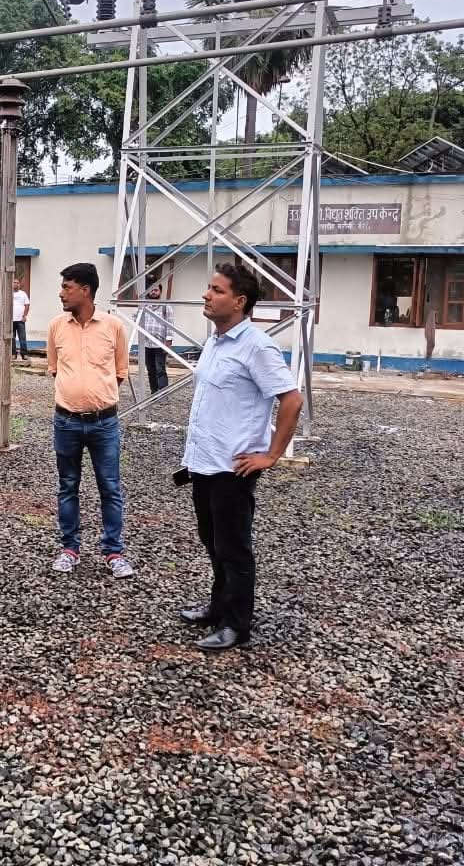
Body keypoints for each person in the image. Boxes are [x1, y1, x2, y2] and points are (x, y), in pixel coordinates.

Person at [179, 263, 303, 652]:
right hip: (204, 462)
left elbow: (292, 399)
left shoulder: (257, 346)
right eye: (209, 287)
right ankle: (219, 607)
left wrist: (272, 454)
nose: (206, 295)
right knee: (212, 541)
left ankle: (236, 624)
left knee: (234, 548)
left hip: (233, 468)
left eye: (216, 290)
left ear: (239, 301)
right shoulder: (216, 342)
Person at [47, 263, 134, 579]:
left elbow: (120, 372)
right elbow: (55, 369)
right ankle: (69, 549)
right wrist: (77, 397)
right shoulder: (57, 326)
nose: (61, 293)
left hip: (104, 423)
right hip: (66, 421)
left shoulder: (113, 327)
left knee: (109, 487)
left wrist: (97, 399)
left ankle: (113, 552)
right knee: (68, 486)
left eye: (67, 287)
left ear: (85, 290)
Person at [142, 283, 174, 393]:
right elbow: (137, 319)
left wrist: (168, 341)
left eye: (155, 290)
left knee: (160, 369)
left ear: (160, 292)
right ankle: (154, 392)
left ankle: (163, 393)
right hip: (147, 344)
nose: (153, 292)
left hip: (160, 344)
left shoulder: (165, 307)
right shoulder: (144, 306)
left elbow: (170, 324)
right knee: (150, 369)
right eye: (151, 290)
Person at [12, 277, 30, 360]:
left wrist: (24, 316)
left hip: (20, 320)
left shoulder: (23, 294)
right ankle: (13, 354)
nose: (16, 284)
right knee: (12, 338)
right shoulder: (9, 294)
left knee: (22, 338)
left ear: (19, 284)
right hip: (10, 320)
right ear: (12, 284)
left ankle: (24, 354)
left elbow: (27, 305)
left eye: (17, 283)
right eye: (14, 282)